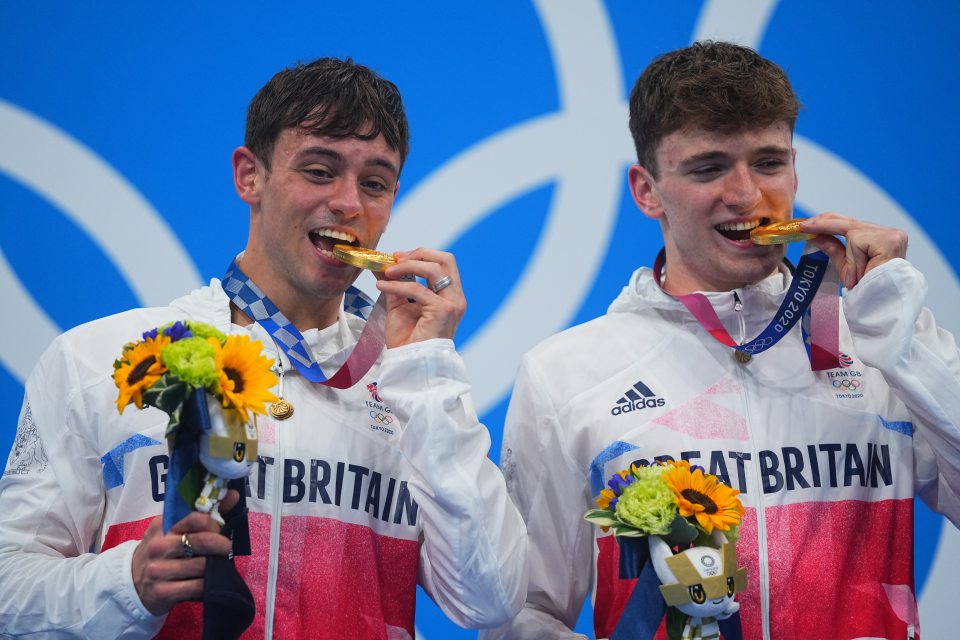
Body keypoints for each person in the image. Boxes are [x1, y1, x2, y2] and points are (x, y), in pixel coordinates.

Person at [0, 58, 527, 639]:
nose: (349, 203)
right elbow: (8, 585)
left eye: (374, 183)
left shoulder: (411, 382)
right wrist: (125, 582)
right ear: (250, 176)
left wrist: (427, 375)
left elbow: (490, 601)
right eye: (320, 170)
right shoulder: (103, 359)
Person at [484, 41, 960, 639]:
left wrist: (903, 339)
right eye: (709, 168)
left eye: (767, 163)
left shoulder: (878, 345)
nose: (746, 195)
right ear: (646, 189)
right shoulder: (568, 371)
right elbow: (522, 612)